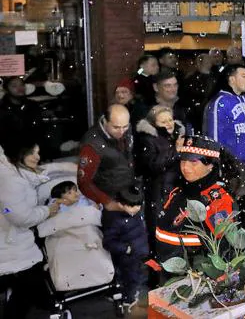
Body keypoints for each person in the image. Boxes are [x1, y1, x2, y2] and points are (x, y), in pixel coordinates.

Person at [78, 104, 148, 308]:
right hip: (113, 204)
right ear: (104, 121)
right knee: (123, 251)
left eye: (126, 127)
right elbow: (84, 182)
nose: (122, 132)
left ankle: (130, 286)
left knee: (135, 245)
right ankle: (125, 292)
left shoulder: (125, 132)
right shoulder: (92, 144)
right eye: (116, 127)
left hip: (130, 195)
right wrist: (109, 204)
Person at [0, 142, 61, 319]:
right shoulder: (8, 177)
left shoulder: (8, 168)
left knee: (29, 283)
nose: (37, 157)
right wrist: (47, 211)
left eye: (38, 152)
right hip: (12, 245)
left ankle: (47, 303)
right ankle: (49, 305)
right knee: (26, 289)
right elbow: (18, 216)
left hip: (11, 240)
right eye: (32, 153)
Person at [154, 136, 235, 265]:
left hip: (195, 277)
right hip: (167, 271)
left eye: (194, 162)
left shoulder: (217, 201)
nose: (185, 167)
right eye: (183, 160)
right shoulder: (178, 192)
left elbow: (224, 251)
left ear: (210, 165)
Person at [204, 64, 245, 232]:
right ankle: (234, 250)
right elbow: (212, 138)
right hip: (232, 169)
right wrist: (218, 168)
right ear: (231, 78)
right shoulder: (219, 102)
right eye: (244, 75)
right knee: (232, 213)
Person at [37, 182, 115, 293]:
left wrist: (96, 208)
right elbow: (49, 221)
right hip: (64, 234)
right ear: (60, 197)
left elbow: (96, 212)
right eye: (69, 193)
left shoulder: (85, 201)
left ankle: (99, 273)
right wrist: (57, 203)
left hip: (87, 232)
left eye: (75, 190)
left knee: (94, 249)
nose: (75, 194)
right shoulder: (56, 206)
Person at [134, 105, 185, 254]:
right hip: (157, 192)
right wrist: (175, 151)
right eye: (163, 122)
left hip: (176, 190)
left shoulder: (178, 135)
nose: (169, 124)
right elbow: (154, 166)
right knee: (158, 231)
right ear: (153, 124)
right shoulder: (147, 140)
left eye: (170, 119)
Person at [0, 76, 44, 158]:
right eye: (14, 86)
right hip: (9, 156)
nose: (19, 88)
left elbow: (39, 130)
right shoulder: (2, 108)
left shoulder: (32, 105)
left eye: (21, 85)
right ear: (6, 90)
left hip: (33, 153)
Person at [184, 53, 217, 131]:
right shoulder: (191, 79)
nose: (209, 62)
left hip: (211, 110)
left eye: (209, 60)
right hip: (197, 113)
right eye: (207, 61)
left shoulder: (216, 77)